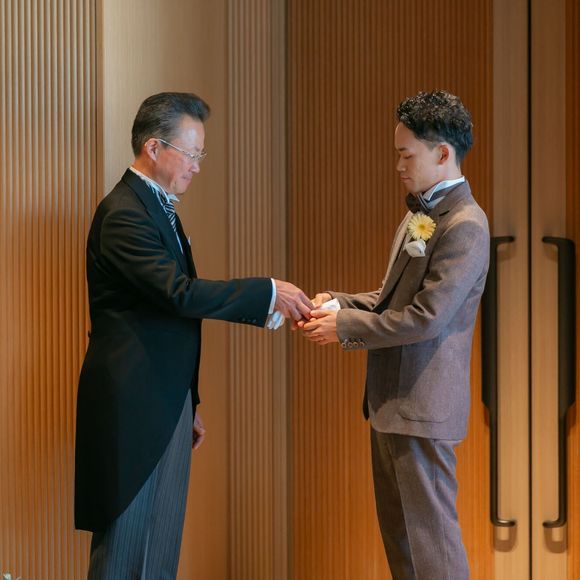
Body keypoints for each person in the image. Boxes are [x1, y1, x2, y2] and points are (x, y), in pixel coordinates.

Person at [74, 91, 312, 579]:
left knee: (159, 550)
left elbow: (164, 319)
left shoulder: (157, 208)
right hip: (134, 408)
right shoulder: (124, 212)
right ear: (154, 147)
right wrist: (267, 292)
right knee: (127, 553)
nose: (197, 167)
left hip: (164, 400)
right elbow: (178, 294)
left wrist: (188, 400)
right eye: (192, 153)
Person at [302, 90, 489, 579]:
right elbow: (392, 299)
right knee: (402, 542)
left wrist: (345, 327)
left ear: (442, 153)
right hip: (391, 404)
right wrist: (340, 302)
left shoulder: (466, 224)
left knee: (434, 547)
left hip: (423, 409)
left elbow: (427, 317)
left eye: (407, 155)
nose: (399, 166)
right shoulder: (419, 215)